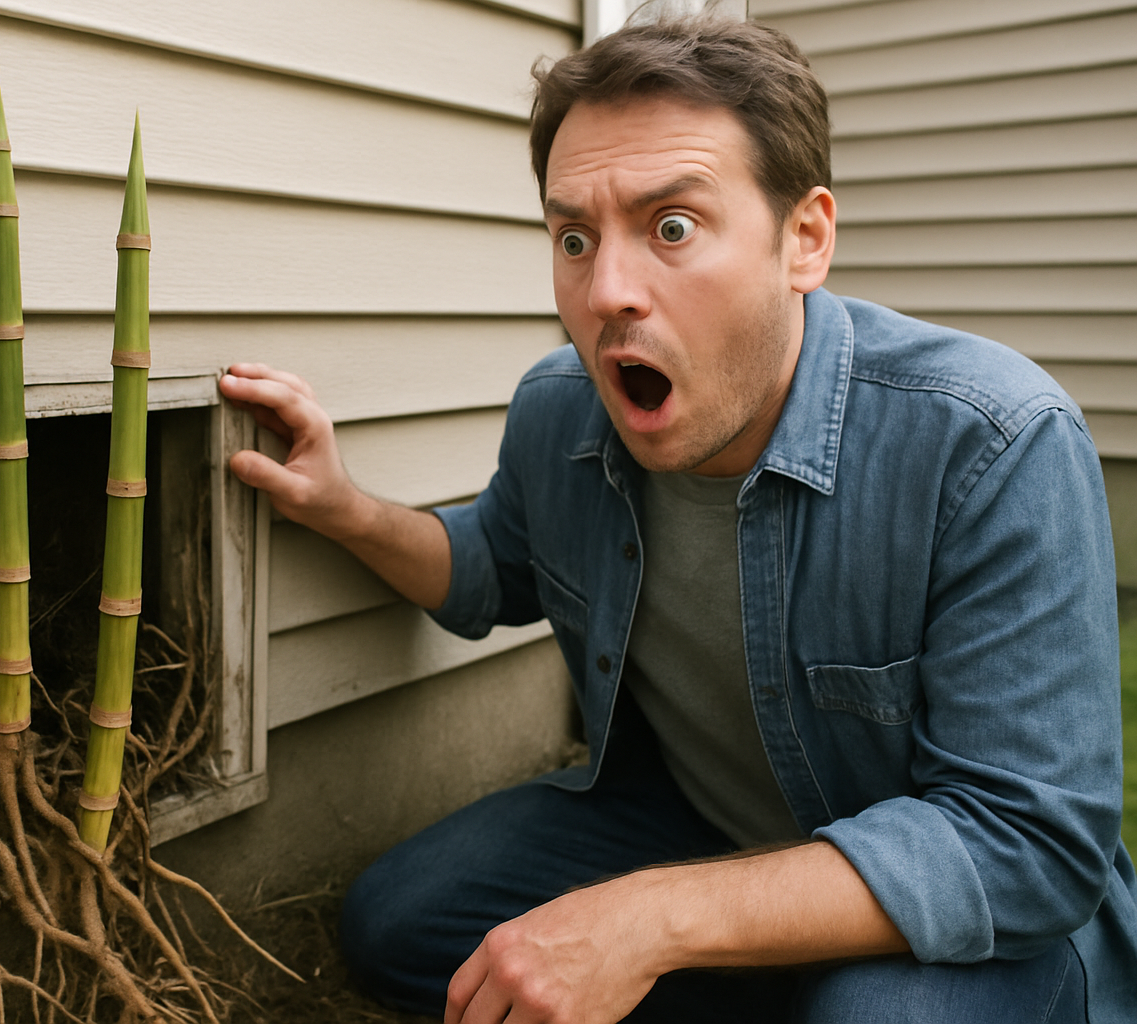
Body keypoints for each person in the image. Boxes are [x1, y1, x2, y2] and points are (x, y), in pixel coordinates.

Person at [218, 14, 1136, 1024]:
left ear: (805, 238)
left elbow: (1029, 844)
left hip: (947, 914)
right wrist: (345, 506)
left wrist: (652, 918)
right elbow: (489, 569)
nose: (608, 290)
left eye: (672, 228)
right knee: (402, 923)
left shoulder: (994, 440)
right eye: (574, 237)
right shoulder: (560, 410)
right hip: (696, 824)